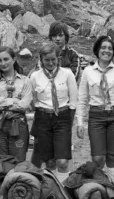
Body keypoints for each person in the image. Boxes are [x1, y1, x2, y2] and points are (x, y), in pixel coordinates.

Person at [76, 35, 114, 186]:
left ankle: (113, 189)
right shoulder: (88, 72)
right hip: (96, 115)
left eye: (110, 48)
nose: (107, 51)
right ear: (97, 50)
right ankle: (99, 185)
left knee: (112, 156)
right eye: (103, 48)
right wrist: (79, 122)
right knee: (98, 158)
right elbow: (82, 98)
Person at [29, 43, 78, 182]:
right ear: (41, 60)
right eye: (46, 60)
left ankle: (65, 191)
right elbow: (33, 100)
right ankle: (54, 189)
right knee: (49, 162)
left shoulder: (67, 74)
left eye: (53, 59)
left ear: (58, 58)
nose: (50, 63)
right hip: (43, 118)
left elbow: (73, 100)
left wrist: (70, 122)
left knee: (62, 161)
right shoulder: (35, 77)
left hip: (62, 117)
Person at [0, 46, 33, 161]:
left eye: (6, 59)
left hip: (18, 124)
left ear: (13, 59)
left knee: (18, 161)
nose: (3, 63)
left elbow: (24, 105)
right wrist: (13, 101)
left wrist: (2, 103)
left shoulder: (25, 80)